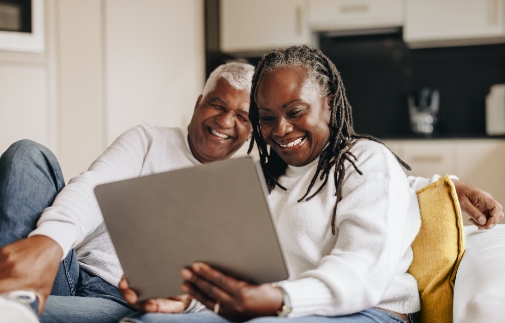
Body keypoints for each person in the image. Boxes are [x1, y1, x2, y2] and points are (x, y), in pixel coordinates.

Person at [119, 46, 504, 323]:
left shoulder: (364, 160)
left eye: (295, 112)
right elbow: (238, 277)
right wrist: (184, 300)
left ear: (330, 104)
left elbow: (362, 270)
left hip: (367, 313)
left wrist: (275, 299)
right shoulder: (259, 176)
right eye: (266, 118)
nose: (281, 130)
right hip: (278, 309)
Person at [0, 62, 255, 323]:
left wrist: (184, 302)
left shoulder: (240, 192)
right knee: (28, 154)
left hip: (120, 301)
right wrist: (48, 243)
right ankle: (13, 288)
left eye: (242, 117)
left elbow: (224, 291)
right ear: (199, 103)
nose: (225, 121)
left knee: (17, 315)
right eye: (218, 105)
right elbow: (94, 186)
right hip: (68, 268)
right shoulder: (148, 140)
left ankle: (12, 302)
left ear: (250, 132)